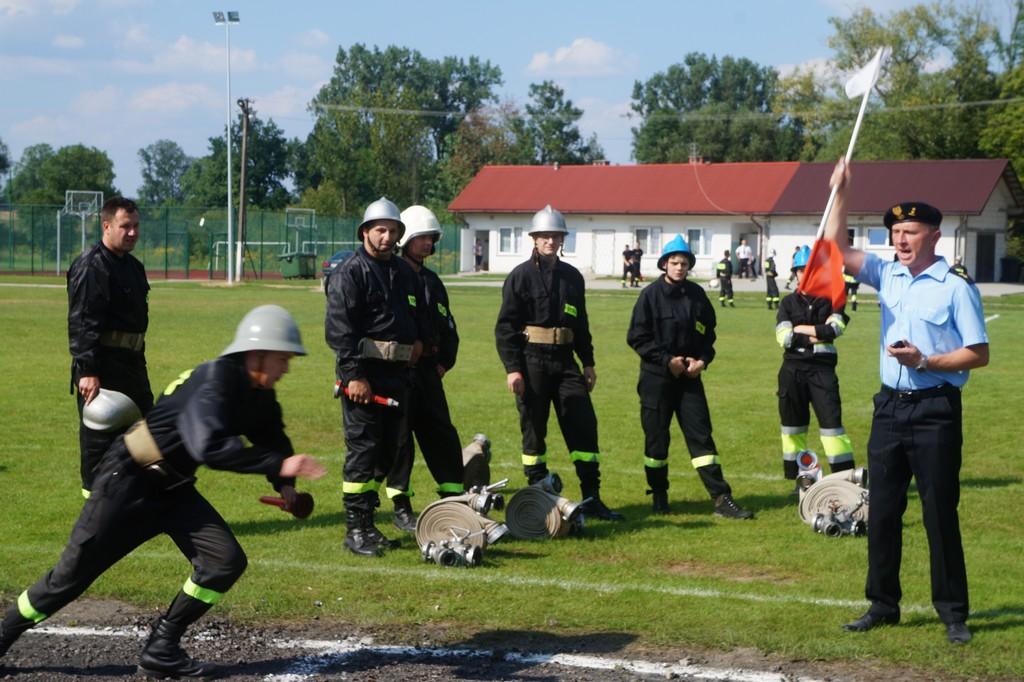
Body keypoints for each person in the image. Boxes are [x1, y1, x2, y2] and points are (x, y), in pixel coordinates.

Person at [0, 305, 326, 677]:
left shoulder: (259, 393)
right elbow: (209, 448)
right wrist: (279, 466)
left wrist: (287, 489)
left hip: (173, 490)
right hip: (127, 481)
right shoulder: (216, 379)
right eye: (282, 359)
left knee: (223, 562)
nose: (286, 368)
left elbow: (274, 442)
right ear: (257, 353)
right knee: (67, 580)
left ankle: (161, 648)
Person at [826, 159, 989, 645]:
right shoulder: (887, 274)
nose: (900, 240)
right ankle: (882, 605)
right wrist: (841, 191)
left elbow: (978, 353)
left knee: (939, 512)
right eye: (895, 232)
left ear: (934, 236)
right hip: (889, 409)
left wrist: (926, 360)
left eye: (910, 232)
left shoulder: (956, 287)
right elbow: (835, 249)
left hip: (936, 409)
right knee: (882, 511)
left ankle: (953, 613)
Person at [495, 205, 623, 521]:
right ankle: (539, 499)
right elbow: (506, 327)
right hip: (532, 361)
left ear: (562, 239)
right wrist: (513, 368)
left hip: (566, 362)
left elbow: (581, 324)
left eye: (556, 236)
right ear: (534, 239)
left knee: (583, 425)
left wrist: (588, 362)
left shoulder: (572, 277)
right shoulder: (520, 276)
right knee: (534, 430)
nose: (550, 241)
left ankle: (592, 498)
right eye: (544, 236)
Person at [326, 197, 429, 556]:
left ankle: (369, 524)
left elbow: (415, 312)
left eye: (393, 231)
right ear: (365, 232)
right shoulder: (350, 273)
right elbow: (340, 331)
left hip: (397, 376)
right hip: (365, 377)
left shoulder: (403, 272)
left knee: (389, 451)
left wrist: (417, 341)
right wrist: (354, 376)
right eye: (380, 230)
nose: (387, 237)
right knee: (363, 450)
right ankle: (355, 530)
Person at [626, 235, 753, 519]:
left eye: (684, 263)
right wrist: (666, 361)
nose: (679, 267)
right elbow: (637, 337)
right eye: (674, 262)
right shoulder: (649, 296)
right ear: (664, 264)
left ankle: (721, 499)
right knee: (656, 441)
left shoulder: (697, 295)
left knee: (702, 437)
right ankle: (659, 496)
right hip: (656, 379)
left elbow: (708, 334)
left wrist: (703, 361)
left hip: (689, 379)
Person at [67, 196, 154, 499]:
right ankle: (94, 508)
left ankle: (142, 503)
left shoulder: (134, 267)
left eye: (136, 226)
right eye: (125, 226)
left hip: (132, 365)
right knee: (100, 442)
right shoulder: (92, 266)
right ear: (106, 226)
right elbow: (82, 322)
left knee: (145, 435)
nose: (132, 232)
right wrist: (87, 371)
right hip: (103, 368)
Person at [386, 205, 466, 532]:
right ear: (405, 240)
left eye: (431, 238)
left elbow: (448, 324)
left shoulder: (432, 281)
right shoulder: (392, 277)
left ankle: (454, 498)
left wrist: (445, 361)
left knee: (441, 434)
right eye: (421, 238)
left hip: (429, 372)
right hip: (400, 372)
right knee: (400, 439)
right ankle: (401, 506)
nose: (428, 244)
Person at [775, 245, 855, 489]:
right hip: (792, 372)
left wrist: (801, 330)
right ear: (795, 273)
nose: (805, 274)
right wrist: (817, 334)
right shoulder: (787, 303)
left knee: (832, 429)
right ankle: (800, 483)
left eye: (811, 270)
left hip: (822, 372)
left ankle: (845, 481)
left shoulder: (833, 300)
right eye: (801, 270)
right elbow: (784, 338)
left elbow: (835, 330)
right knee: (793, 429)